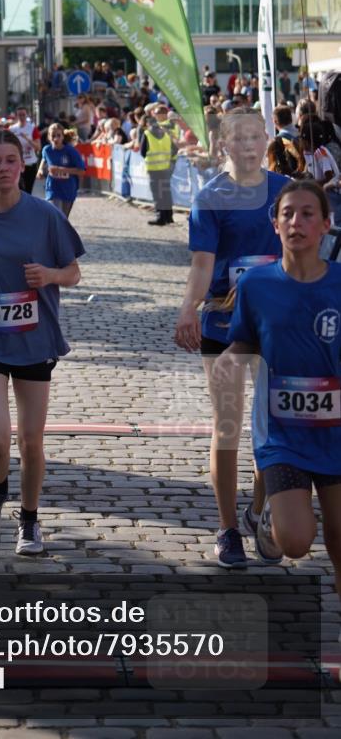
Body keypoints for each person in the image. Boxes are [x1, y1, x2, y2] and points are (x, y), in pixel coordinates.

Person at [0, 129, 85, 555]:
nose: (3, 168)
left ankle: (29, 520)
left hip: (34, 339)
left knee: (31, 439)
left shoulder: (44, 215)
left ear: (22, 164)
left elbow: (73, 272)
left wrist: (51, 275)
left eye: (10, 160)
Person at [174, 107, 289, 568]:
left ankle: (259, 510)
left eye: (254, 136)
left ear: (266, 140)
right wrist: (188, 310)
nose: (247, 144)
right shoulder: (211, 198)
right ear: (224, 145)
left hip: (276, 329)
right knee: (228, 426)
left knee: (271, 431)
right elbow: (202, 264)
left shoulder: (286, 192)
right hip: (223, 326)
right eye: (237, 137)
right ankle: (226, 530)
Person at [217, 181, 341, 595]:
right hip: (282, 434)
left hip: (336, 434)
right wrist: (230, 359)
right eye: (287, 213)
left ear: (326, 224)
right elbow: (245, 340)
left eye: (308, 214)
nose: (296, 222)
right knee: (297, 542)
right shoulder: (256, 284)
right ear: (275, 224)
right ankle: (270, 516)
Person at [36, 123, 86, 219]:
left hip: (68, 189)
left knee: (63, 219)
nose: (56, 138)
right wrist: (40, 171)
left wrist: (60, 169)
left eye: (58, 135)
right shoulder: (47, 150)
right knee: (56, 216)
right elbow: (44, 159)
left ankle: (62, 233)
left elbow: (81, 171)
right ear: (49, 137)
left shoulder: (71, 151)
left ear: (63, 137)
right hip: (53, 188)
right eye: (53, 135)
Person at [140, 106, 178, 226]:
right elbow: (174, 149)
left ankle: (160, 217)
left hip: (153, 168)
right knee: (166, 191)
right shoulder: (166, 134)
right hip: (166, 166)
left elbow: (142, 151)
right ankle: (168, 216)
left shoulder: (147, 134)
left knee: (157, 193)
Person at [9, 107, 41, 193]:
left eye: (23, 115)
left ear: (26, 115)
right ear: (16, 116)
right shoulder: (12, 129)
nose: (22, 117)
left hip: (30, 163)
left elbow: (38, 147)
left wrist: (27, 139)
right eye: (20, 115)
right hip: (17, 164)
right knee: (18, 189)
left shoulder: (32, 128)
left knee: (28, 190)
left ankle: (26, 206)